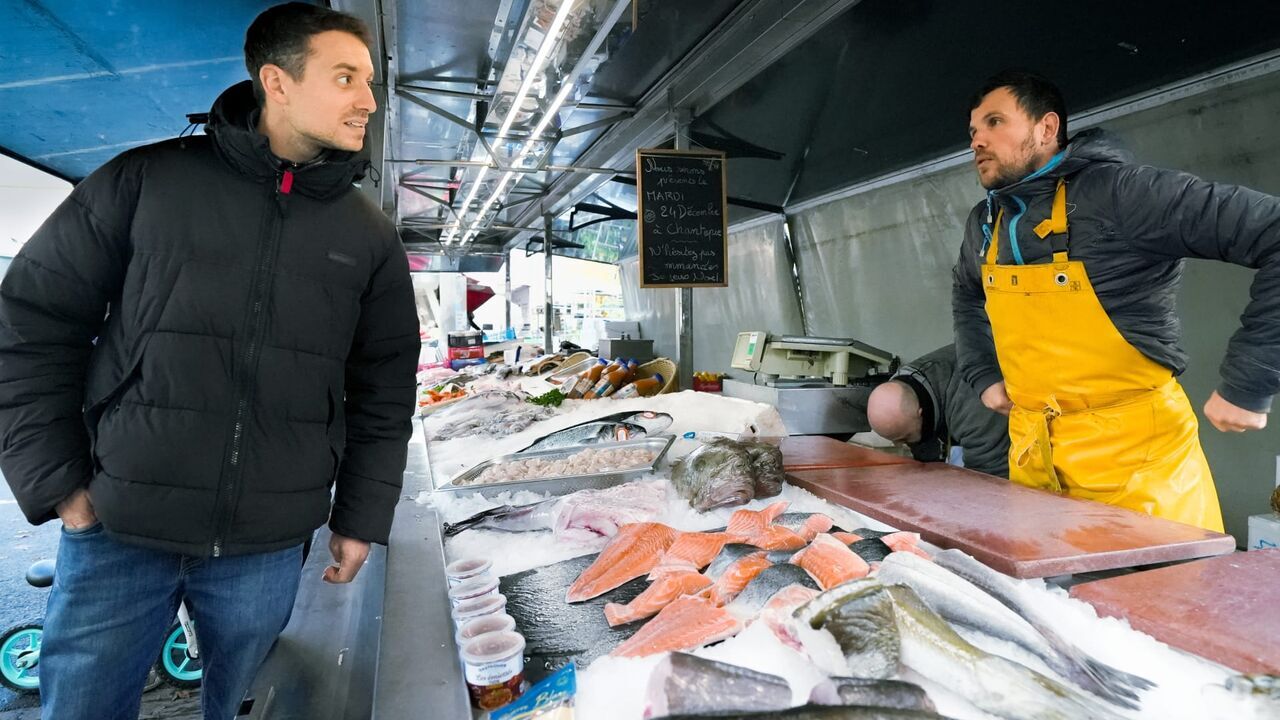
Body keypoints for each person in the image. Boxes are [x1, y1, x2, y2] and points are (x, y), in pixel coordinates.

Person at [0, 4, 419, 718]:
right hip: (119, 525)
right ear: (277, 83)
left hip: (268, 544)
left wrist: (359, 517)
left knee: (245, 706)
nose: (369, 101)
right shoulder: (145, 181)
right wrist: (61, 485)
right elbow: (31, 323)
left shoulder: (369, 235)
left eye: (370, 81)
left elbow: (385, 386)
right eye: (346, 77)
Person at [953, 69, 1280, 532]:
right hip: (1034, 462)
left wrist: (1251, 380)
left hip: (1137, 467)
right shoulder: (985, 222)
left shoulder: (1123, 194)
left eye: (994, 122)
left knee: (1160, 582)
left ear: (1046, 128)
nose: (977, 141)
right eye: (973, 131)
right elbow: (966, 293)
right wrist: (982, 372)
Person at [866, 344, 1009, 477]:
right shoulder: (908, 384)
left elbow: (988, 480)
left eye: (905, 438)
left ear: (922, 413)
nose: (899, 445)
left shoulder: (972, 412)